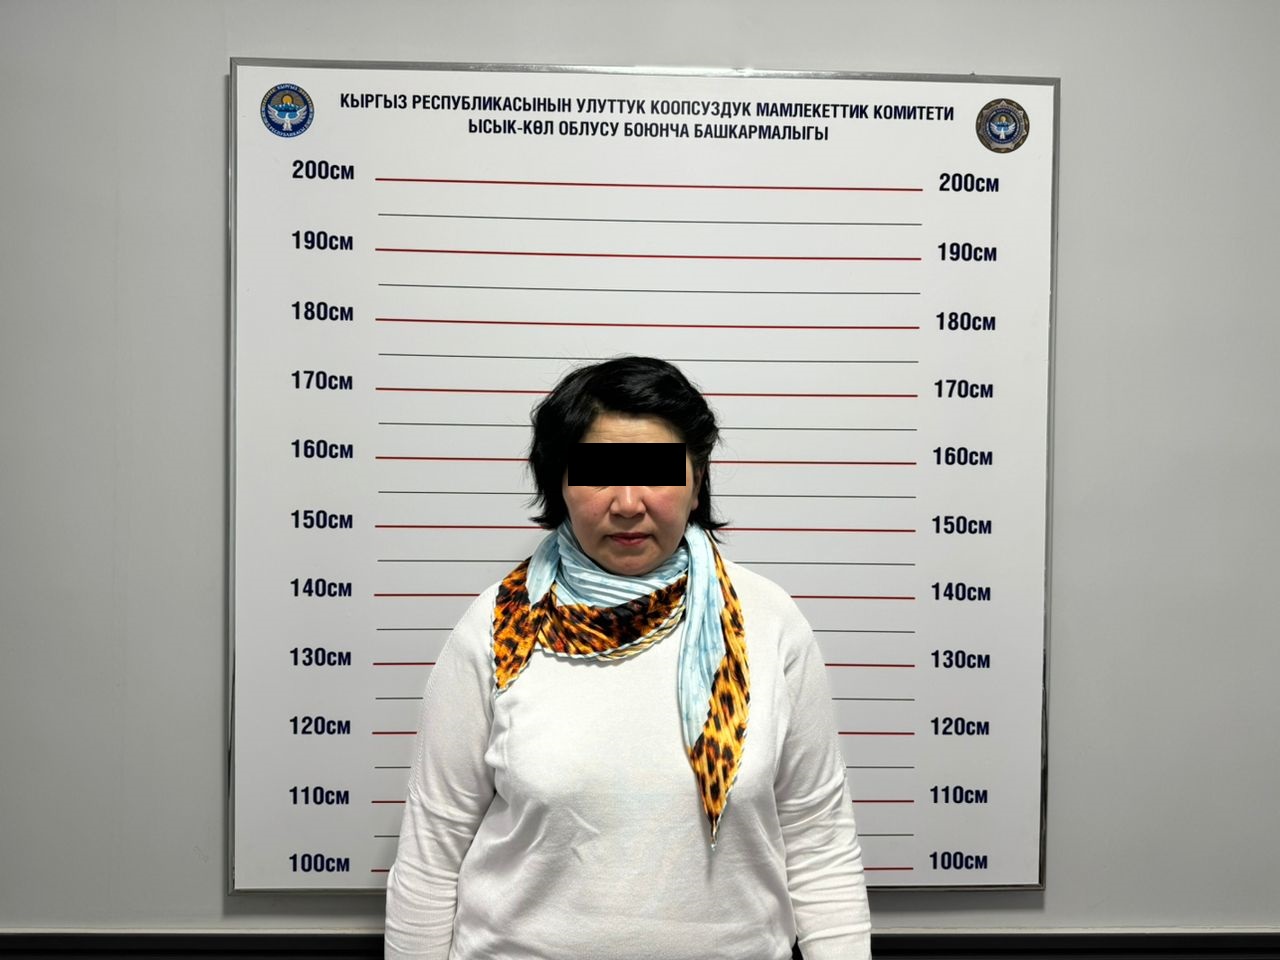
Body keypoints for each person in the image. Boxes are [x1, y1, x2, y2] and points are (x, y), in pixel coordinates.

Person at [384, 356, 872, 959]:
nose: (628, 503)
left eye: (655, 471)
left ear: (696, 479)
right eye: (599, 473)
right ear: (560, 482)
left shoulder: (769, 623)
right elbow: (430, 856)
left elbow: (819, 844)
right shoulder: (494, 628)